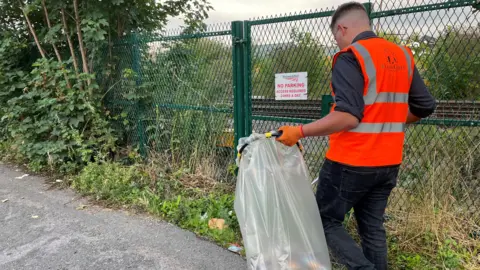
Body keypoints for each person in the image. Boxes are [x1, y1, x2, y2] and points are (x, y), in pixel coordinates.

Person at [275, 2, 436, 270]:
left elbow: (349, 116)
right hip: (388, 163)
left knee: (323, 221)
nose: (337, 43)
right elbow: (424, 106)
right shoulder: (403, 55)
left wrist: (299, 132)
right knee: (372, 228)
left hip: (351, 161)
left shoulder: (351, 56)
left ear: (342, 28)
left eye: (336, 37)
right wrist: (390, 118)